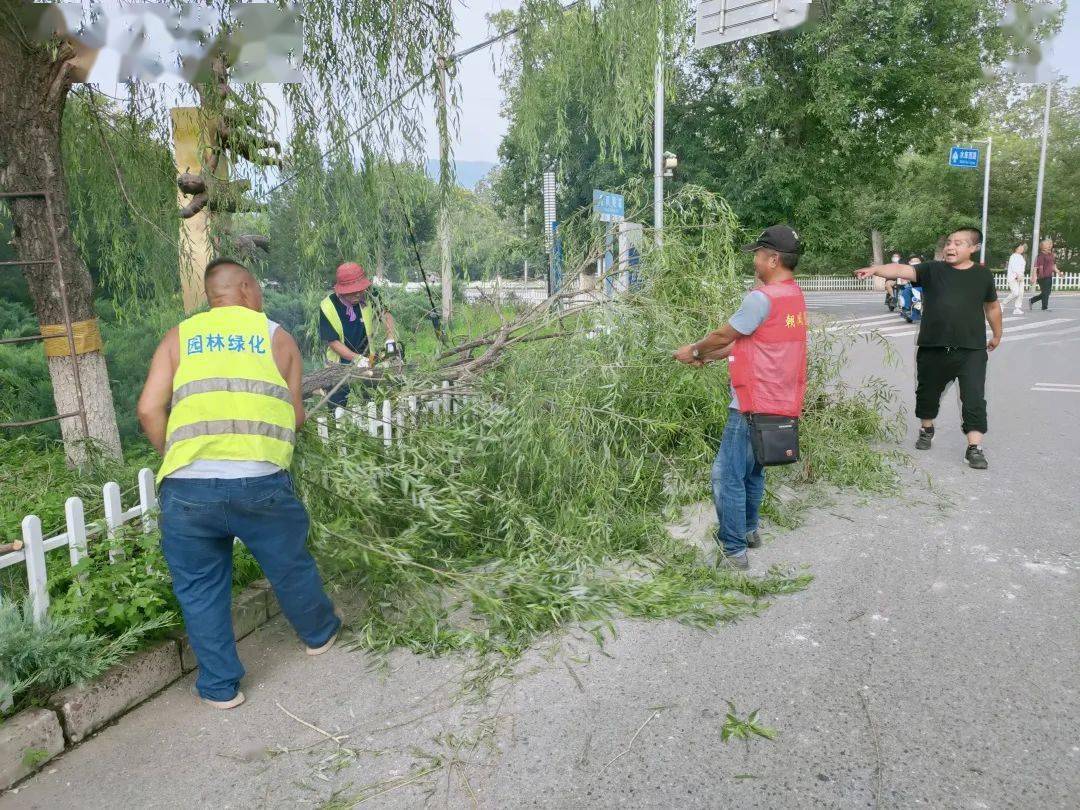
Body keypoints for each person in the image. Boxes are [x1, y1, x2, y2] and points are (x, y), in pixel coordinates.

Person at [137, 258, 342, 710]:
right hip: (260, 483)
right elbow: (296, 416)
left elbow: (150, 410)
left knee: (200, 586)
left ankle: (219, 687)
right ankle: (318, 634)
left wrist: (180, 459)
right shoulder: (277, 338)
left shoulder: (179, 338)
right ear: (246, 289)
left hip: (188, 490)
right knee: (288, 563)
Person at [674, 225, 808, 571]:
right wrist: (711, 356)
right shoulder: (792, 296)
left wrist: (694, 349)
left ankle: (732, 548)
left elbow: (725, 334)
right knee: (751, 471)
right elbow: (754, 341)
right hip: (781, 398)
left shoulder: (761, 298)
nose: (755, 262)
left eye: (759, 256)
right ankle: (748, 531)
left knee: (726, 474)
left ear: (773, 258)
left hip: (752, 401)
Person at [854, 228, 1002, 470]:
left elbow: (992, 307)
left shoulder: (983, 275)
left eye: (959, 243)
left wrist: (997, 334)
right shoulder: (933, 269)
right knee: (927, 394)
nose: (951, 247)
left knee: (974, 398)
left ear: (973, 248)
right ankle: (927, 428)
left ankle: (974, 448)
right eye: (949, 243)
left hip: (971, 349)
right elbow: (901, 270)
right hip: (933, 346)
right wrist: (875, 270)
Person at [318, 262, 396, 408]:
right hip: (339, 364)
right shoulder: (327, 306)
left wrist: (390, 338)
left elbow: (386, 314)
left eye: (360, 290)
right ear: (342, 290)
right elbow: (332, 341)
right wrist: (355, 358)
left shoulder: (369, 295)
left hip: (368, 360)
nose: (358, 294)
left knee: (371, 403)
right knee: (337, 407)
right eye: (353, 291)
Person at [1029, 239, 1061, 311]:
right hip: (1042, 276)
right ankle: (1044, 307)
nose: (1049, 245)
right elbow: (1036, 267)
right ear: (1042, 246)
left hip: (1049, 276)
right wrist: (1033, 277)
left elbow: (1053, 266)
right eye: (1047, 244)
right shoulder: (1040, 255)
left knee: (1047, 292)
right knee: (1045, 292)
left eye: (1050, 244)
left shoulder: (1051, 255)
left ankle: (1032, 300)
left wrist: (1058, 272)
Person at [1002, 243, 1027, 315]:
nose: (1022, 249)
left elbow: (1022, 268)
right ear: (1016, 248)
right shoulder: (1013, 256)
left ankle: (1017, 308)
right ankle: (1002, 304)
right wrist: (1017, 276)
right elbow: (1014, 267)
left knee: (1021, 293)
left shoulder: (1021, 257)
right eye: (1020, 247)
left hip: (1021, 277)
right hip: (1013, 277)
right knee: (1015, 293)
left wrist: (1021, 276)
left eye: (1022, 248)